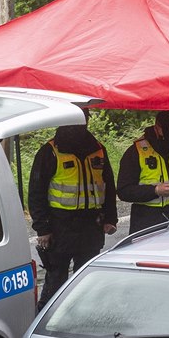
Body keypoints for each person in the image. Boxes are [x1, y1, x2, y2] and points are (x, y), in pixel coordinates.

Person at [28, 110, 118, 310]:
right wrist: (42, 229)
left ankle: (84, 316)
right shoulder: (50, 151)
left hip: (91, 224)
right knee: (56, 279)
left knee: (87, 279)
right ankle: (46, 320)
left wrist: (110, 218)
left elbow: (109, 186)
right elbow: (36, 192)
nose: (80, 124)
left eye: (84, 119)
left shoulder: (98, 150)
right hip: (60, 226)